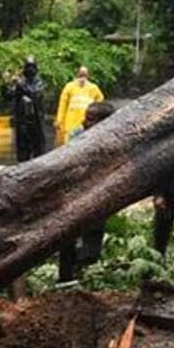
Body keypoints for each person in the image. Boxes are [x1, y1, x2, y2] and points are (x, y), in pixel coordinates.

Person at [58, 102, 115, 283]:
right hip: (74, 194)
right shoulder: (78, 135)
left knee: (93, 238)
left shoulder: (114, 138)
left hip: (99, 195)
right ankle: (66, 277)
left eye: (90, 119)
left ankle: (85, 271)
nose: (84, 121)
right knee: (68, 236)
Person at [3, 57, 47, 161]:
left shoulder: (39, 83)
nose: (29, 70)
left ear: (36, 69)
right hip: (22, 123)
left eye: (32, 67)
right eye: (27, 67)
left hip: (36, 123)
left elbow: (34, 93)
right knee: (23, 152)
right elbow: (8, 96)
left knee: (39, 152)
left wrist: (19, 84)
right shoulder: (20, 83)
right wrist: (7, 83)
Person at [55, 66, 105, 143]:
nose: (82, 78)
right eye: (81, 75)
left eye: (84, 75)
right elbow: (62, 105)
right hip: (70, 123)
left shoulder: (93, 88)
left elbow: (100, 102)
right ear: (77, 75)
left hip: (85, 123)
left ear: (88, 76)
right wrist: (59, 120)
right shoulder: (69, 87)